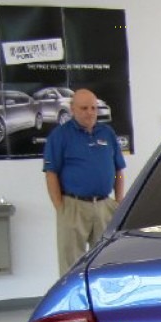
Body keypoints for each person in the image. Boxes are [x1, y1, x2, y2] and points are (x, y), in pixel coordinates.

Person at [43, 89, 126, 272]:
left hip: (105, 206)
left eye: (93, 108)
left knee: (107, 260)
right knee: (71, 265)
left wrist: (119, 201)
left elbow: (119, 169)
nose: (90, 112)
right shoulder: (60, 136)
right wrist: (61, 208)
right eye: (84, 108)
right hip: (74, 207)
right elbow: (51, 174)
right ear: (72, 109)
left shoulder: (107, 133)